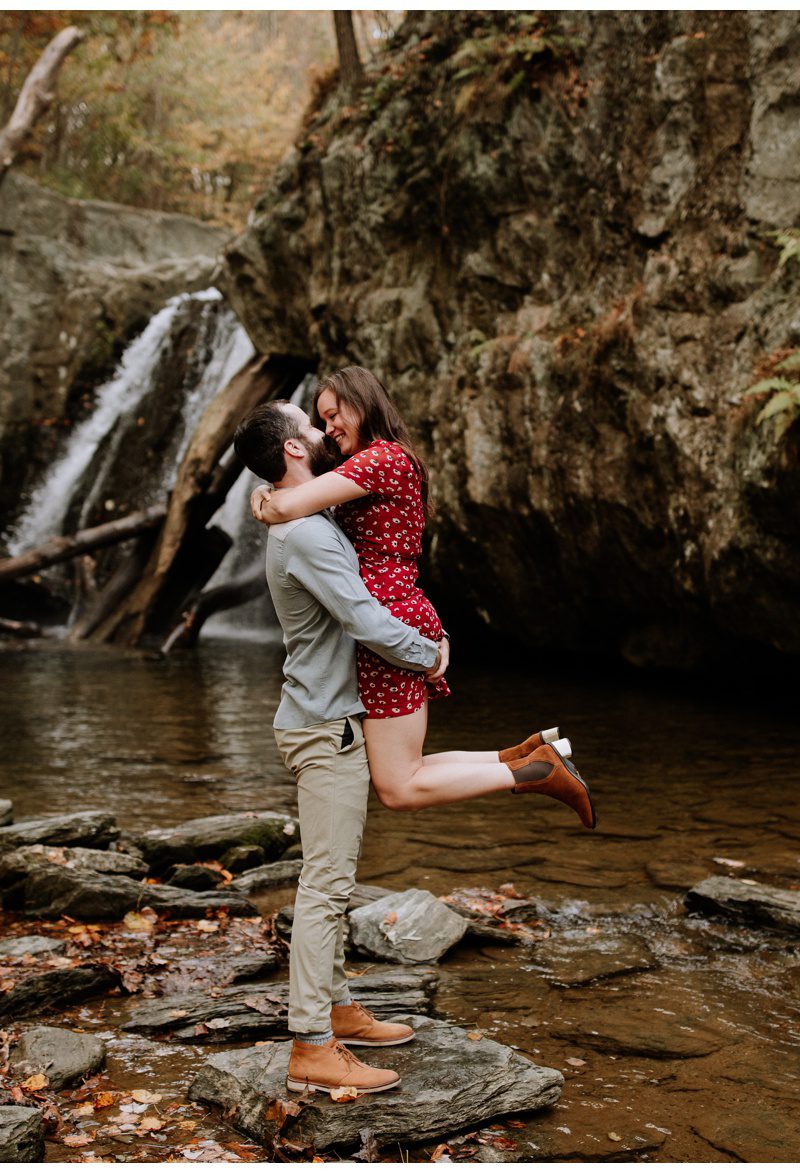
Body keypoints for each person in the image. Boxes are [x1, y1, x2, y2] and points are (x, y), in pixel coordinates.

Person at [229, 399, 586, 1100]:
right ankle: (310, 1046)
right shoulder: (306, 534)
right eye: (311, 424)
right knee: (325, 888)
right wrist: (430, 653)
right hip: (324, 727)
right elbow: (363, 618)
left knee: (331, 879)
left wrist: (268, 497)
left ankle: (336, 1008)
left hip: (326, 718)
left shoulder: (305, 514)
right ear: (293, 449)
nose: (323, 432)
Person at [249, 367, 593, 826]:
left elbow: (291, 502)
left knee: (399, 786)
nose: (328, 428)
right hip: (397, 613)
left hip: (386, 623)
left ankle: (536, 772)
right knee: (407, 770)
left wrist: (263, 499)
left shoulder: (380, 460)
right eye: (321, 420)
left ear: (362, 403)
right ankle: (525, 756)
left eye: (333, 415)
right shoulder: (372, 461)